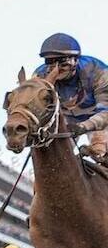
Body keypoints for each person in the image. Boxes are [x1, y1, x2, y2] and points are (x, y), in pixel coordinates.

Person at [34, 33, 108, 164]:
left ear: (75, 60)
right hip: (66, 118)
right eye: (49, 62)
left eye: (62, 62)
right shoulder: (40, 76)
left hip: (98, 116)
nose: (56, 68)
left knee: (100, 149)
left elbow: (106, 112)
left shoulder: (99, 72)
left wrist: (83, 126)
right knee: (54, 160)